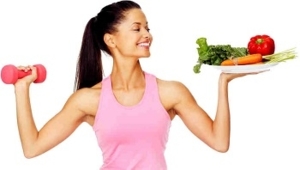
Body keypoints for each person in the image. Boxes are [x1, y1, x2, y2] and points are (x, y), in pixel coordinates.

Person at [13, 0, 262, 169]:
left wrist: (223, 83)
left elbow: (219, 143)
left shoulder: (170, 92)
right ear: (111, 39)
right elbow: (32, 147)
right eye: (137, 28)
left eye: (147, 27)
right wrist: (22, 89)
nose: (147, 34)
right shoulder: (88, 100)